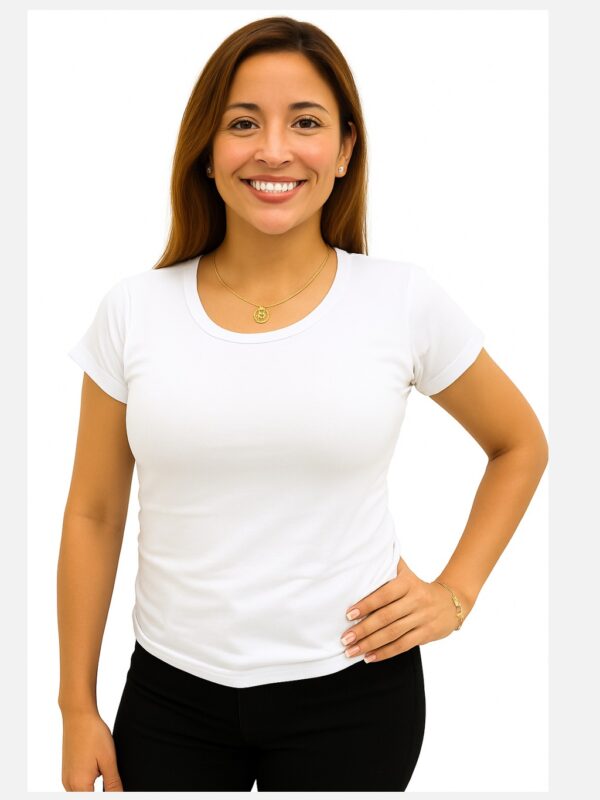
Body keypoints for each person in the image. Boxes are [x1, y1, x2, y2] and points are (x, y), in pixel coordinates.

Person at [57, 15, 549, 793]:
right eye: (243, 123)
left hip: (355, 697)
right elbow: (93, 512)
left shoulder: (401, 301)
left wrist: (455, 594)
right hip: (170, 697)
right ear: (207, 149)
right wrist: (76, 706)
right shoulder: (133, 311)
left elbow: (519, 444)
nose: (274, 150)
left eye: (307, 123)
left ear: (346, 150)